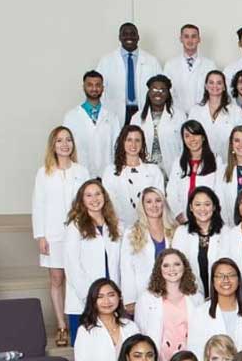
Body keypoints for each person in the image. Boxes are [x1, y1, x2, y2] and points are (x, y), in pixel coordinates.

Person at [33, 126, 91, 345]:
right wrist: (41, 236)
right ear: (53, 145)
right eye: (59, 141)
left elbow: (89, 201)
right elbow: (38, 205)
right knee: (57, 279)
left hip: (79, 234)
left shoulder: (81, 171)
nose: (65, 144)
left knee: (77, 278)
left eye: (68, 140)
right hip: (53, 234)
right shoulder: (44, 172)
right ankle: (61, 325)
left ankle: (82, 323)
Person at [65, 180, 122, 343]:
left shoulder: (115, 225)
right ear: (82, 200)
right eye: (88, 195)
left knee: (112, 345)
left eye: (98, 194)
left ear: (104, 196)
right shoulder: (75, 227)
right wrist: (90, 298)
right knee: (87, 347)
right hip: (84, 300)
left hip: (110, 300)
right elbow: (72, 266)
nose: (94, 199)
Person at [134, 248, 204, 361]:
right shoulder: (146, 299)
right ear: (159, 269)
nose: (172, 269)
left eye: (176, 264)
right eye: (166, 265)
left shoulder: (196, 297)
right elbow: (141, 332)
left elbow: (202, 332)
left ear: (184, 267)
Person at [121, 188, 179, 313]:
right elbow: (126, 268)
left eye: (158, 201)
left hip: (173, 294)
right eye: (148, 202)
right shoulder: (132, 232)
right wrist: (130, 299)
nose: (154, 205)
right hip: (143, 295)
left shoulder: (175, 230)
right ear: (142, 206)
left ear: (164, 203)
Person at [95, 22, 161, 124]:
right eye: (125, 34)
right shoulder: (106, 61)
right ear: (120, 37)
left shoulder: (152, 61)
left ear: (138, 37)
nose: (129, 37)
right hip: (115, 111)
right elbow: (98, 88)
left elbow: (160, 88)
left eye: (132, 34)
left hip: (143, 109)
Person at [171, 187, 226, 300]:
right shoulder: (181, 232)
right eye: (197, 204)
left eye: (207, 204)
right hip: (190, 296)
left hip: (222, 295)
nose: (202, 209)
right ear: (191, 207)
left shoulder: (227, 232)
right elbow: (176, 266)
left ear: (214, 206)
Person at [63, 70, 120, 176]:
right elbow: (66, 147)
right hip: (79, 173)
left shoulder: (112, 117)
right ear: (83, 87)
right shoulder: (71, 117)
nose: (94, 88)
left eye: (98, 85)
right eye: (90, 85)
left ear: (103, 88)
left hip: (106, 174)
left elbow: (117, 146)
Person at [167, 121, 224, 223]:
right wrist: (179, 216)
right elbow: (171, 192)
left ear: (203, 137)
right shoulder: (178, 162)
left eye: (195, 134)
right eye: (187, 136)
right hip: (183, 219)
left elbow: (219, 191)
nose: (192, 139)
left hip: (208, 217)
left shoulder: (216, 160)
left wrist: (209, 215)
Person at [131, 74, 186, 178]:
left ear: (168, 94)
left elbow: (184, 145)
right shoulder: (137, 118)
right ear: (148, 92)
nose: (158, 93)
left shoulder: (179, 116)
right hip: (145, 169)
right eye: (154, 89)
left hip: (173, 168)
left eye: (162, 90)